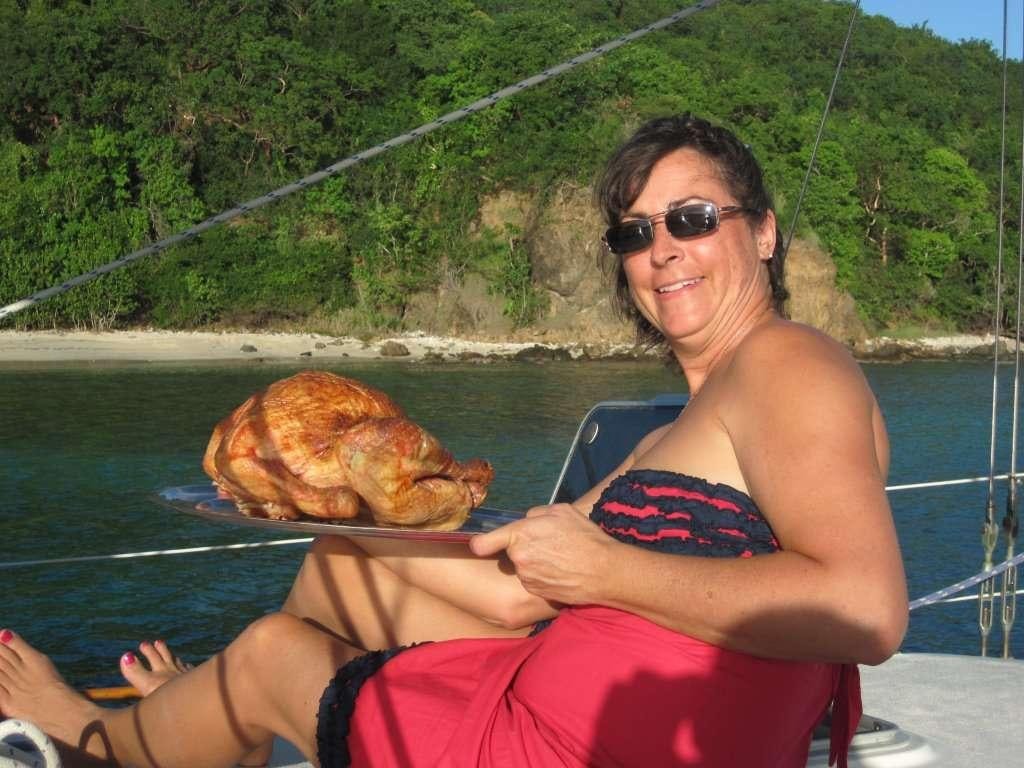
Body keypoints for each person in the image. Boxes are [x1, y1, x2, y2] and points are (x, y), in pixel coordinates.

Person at [0, 114, 907, 768]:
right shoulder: (676, 432)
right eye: (635, 232)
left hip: (571, 747)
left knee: (276, 650)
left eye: (692, 218)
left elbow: (866, 609)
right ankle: (205, 728)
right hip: (565, 696)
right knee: (338, 567)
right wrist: (326, 511)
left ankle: (97, 741)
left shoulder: (788, 361)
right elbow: (513, 594)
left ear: (764, 232)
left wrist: (609, 571)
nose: (661, 248)